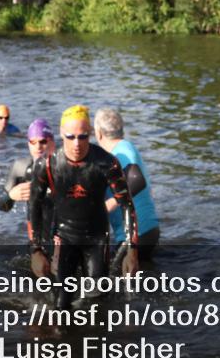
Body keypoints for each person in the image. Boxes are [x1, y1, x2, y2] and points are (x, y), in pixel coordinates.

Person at [29, 105, 138, 307]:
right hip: (63, 237)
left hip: (96, 239)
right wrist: (36, 250)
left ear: (90, 134)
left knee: (98, 303)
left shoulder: (106, 163)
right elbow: (34, 205)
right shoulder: (47, 165)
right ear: (61, 135)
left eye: (83, 136)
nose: (77, 143)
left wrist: (132, 250)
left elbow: (127, 205)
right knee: (61, 304)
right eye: (71, 137)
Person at [94, 107, 160, 262]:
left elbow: (137, 181)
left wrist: (110, 203)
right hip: (146, 230)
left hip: (137, 234)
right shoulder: (126, 149)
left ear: (98, 133)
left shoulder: (121, 152)